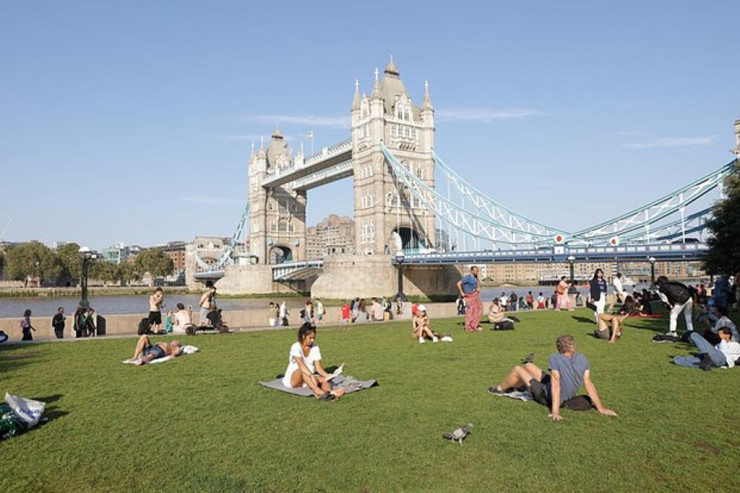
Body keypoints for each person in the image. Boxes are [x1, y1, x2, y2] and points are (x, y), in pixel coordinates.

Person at [487, 335, 618, 421]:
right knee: (529, 366)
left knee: (517, 369)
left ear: (558, 348)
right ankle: (522, 380)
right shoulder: (583, 358)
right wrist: (601, 408)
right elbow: (588, 384)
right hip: (558, 391)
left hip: (546, 396)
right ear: (573, 346)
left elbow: (556, 385)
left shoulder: (555, 357)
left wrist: (555, 411)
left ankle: (498, 389)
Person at [281, 323, 344, 400]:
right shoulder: (295, 347)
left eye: (314, 338)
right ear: (303, 336)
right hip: (294, 380)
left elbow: (318, 368)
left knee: (323, 379)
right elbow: (301, 366)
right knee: (303, 370)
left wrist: (328, 376)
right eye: (310, 338)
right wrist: (311, 376)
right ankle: (317, 391)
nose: (312, 340)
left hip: (307, 379)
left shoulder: (315, 346)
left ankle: (330, 393)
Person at [674, 327, 740, 370]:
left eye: (720, 334)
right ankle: (704, 364)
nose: (718, 335)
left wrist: (723, 340)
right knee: (677, 360)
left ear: (727, 335)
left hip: (722, 359)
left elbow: (723, 352)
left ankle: (706, 358)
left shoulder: (735, 345)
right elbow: (712, 350)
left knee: (694, 334)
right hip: (713, 359)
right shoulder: (718, 344)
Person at [457, 266, 483, 332]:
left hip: (475, 294)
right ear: (471, 271)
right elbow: (458, 283)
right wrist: (462, 292)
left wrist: (478, 279)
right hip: (469, 295)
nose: (476, 272)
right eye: (475, 271)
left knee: (479, 309)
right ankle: (468, 327)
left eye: (477, 271)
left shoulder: (475, 278)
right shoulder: (467, 278)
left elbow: (479, 285)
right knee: (470, 310)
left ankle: (474, 325)